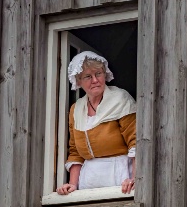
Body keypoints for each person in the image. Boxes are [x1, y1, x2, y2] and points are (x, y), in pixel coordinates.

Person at [56, 51, 137, 195]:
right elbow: (75, 151)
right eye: (88, 76)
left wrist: (135, 178)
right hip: (89, 180)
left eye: (98, 74)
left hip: (119, 176)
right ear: (78, 80)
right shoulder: (76, 109)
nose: (95, 80)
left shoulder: (120, 99)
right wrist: (72, 185)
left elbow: (136, 142)